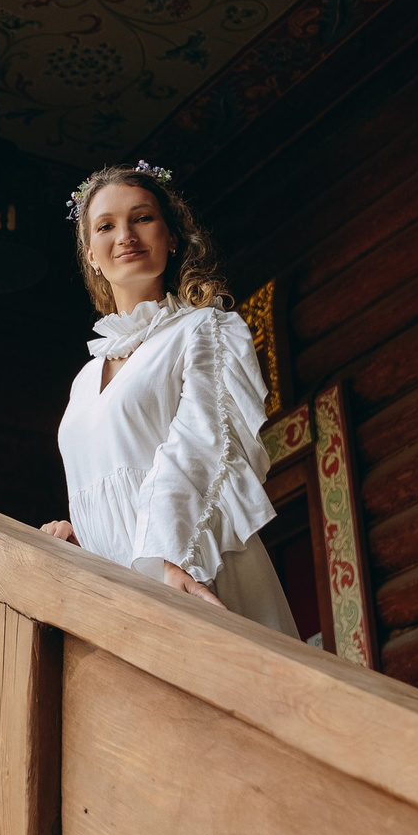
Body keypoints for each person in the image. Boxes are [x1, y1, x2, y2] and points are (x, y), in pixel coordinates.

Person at [40, 162, 299, 634]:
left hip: (189, 563)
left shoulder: (205, 330)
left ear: (172, 236)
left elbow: (201, 449)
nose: (126, 235)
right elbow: (107, 484)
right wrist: (85, 537)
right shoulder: (83, 381)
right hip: (115, 586)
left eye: (142, 218)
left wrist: (166, 558)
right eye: (106, 226)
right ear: (91, 255)